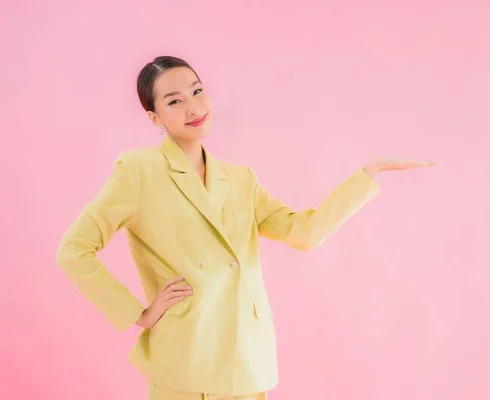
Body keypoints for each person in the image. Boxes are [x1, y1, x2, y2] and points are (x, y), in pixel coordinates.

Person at [55, 55, 436, 400]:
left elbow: (305, 233)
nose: (193, 107)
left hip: (246, 362)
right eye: (174, 101)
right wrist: (137, 312)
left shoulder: (239, 179)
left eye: (197, 91)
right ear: (154, 117)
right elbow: (74, 249)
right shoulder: (139, 171)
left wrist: (369, 173)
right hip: (187, 357)